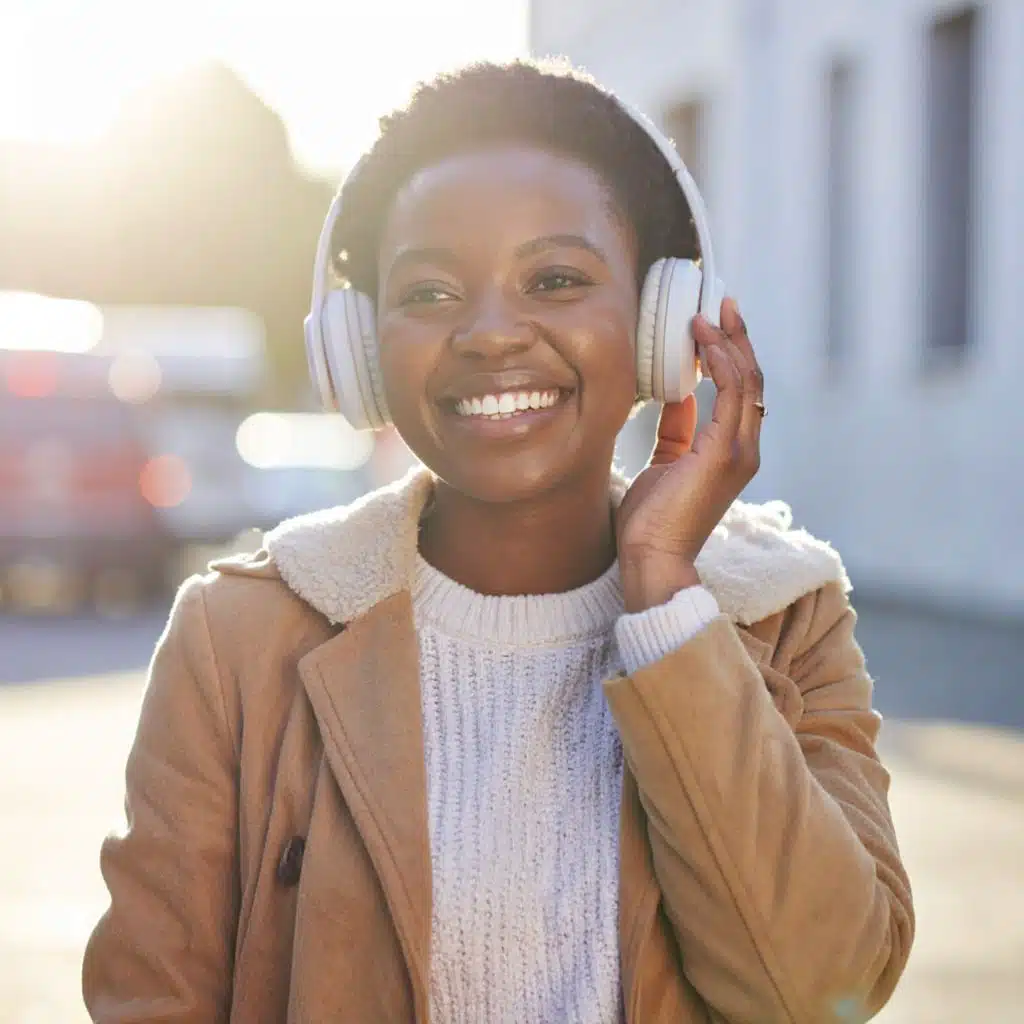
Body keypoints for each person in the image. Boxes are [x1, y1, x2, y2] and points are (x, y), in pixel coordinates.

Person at [82, 59, 914, 1023]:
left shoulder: (783, 618)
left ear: (663, 328)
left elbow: (813, 990)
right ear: (359, 348)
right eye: (430, 293)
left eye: (555, 279)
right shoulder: (235, 639)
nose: (489, 334)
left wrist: (665, 604)